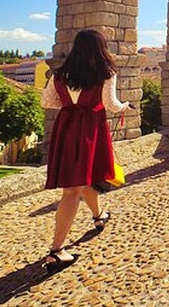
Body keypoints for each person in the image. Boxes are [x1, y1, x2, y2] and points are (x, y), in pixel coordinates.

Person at [40, 29, 132, 273]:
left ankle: (99, 214)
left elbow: (46, 102)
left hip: (66, 128)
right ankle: (56, 251)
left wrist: (71, 105)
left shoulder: (60, 74)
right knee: (72, 190)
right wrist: (125, 106)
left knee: (83, 178)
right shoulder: (105, 73)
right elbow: (111, 105)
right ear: (100, 48)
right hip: (90, 130)